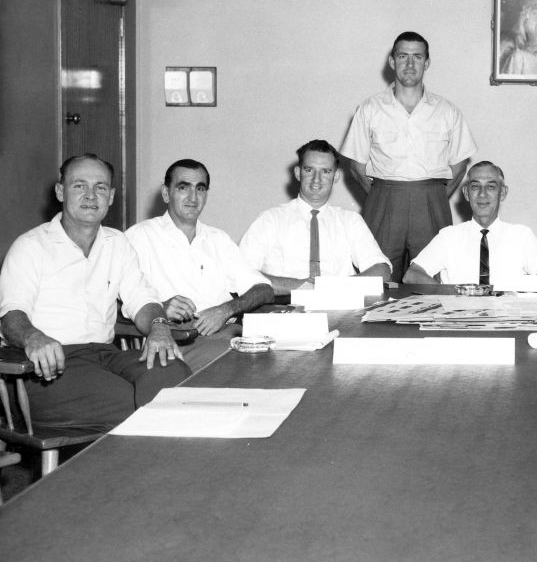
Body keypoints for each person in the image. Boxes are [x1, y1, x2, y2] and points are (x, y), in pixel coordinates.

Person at [0, 154, 190, 430]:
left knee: (174, 371)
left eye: (100, 187)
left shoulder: (117, 243)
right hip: (47, 368)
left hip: (104, 356)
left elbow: (142, 300)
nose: (91, 195)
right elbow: (10, 315)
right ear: (60, 191)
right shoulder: (31, 246)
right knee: (146, 404)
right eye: (79, 186)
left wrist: (160, 327)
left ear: (111, 196)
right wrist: (33, 337)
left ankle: (157, 465)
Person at [341, 32, 477, 282]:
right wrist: (384, 197)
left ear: (427, 63)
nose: (410, 64)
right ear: (392, 61)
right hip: (384, 200)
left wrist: (433, 197)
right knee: (378, 277)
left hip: (431, 201)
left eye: (417, 57)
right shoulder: (370, 108)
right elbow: (356, 167)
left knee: (431, 277)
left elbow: (459, 167)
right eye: (403, 56)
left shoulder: (447, 111)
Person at [126, 159, 274, 371]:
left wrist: (226, 309)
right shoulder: (138, 237)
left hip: (228, 334)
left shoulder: (218, 239)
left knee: (282, 358)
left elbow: (264, 290)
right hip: (175, 339)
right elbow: (114, 300)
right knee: (250, 364)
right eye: (183, 187)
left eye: (200, 188)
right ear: (166, 193)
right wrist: (159, 310)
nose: (193, 197)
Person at [240, 140, 391, 294]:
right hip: (284, 308)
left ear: (336, 176)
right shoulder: (270, 219)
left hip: (338, 307)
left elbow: (382, 270)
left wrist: (331, 288)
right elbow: (242, 272)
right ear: (298, 173)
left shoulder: (350, 221)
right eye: (309, 170)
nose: (316, 179)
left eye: (325, 171)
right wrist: (304, 287)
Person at [403, 161, 537, 284]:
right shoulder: (449, 236)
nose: (482, 194)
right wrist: (449, 296)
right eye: (475, 186)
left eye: (491, 187)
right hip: (459, 317)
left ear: (502, 193)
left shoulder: (521, 235)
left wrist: (516, 291)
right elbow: (412, 275)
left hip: (505, 317)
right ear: (466, 193)